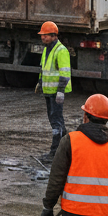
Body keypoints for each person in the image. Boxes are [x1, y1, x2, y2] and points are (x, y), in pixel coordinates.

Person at [36, 20, 71, 162]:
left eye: (46, 35)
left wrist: (61, 91)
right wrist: (40, 82)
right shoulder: (47, 49)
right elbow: (43, 69)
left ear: (54, 35)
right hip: (49, 91)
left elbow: (65, 73)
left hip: (56, 92)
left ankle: (55, 152)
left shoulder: (61, 51)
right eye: (42, 35)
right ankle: (66, 148)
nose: (43, 37)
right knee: (55, 120)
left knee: (56, 122)